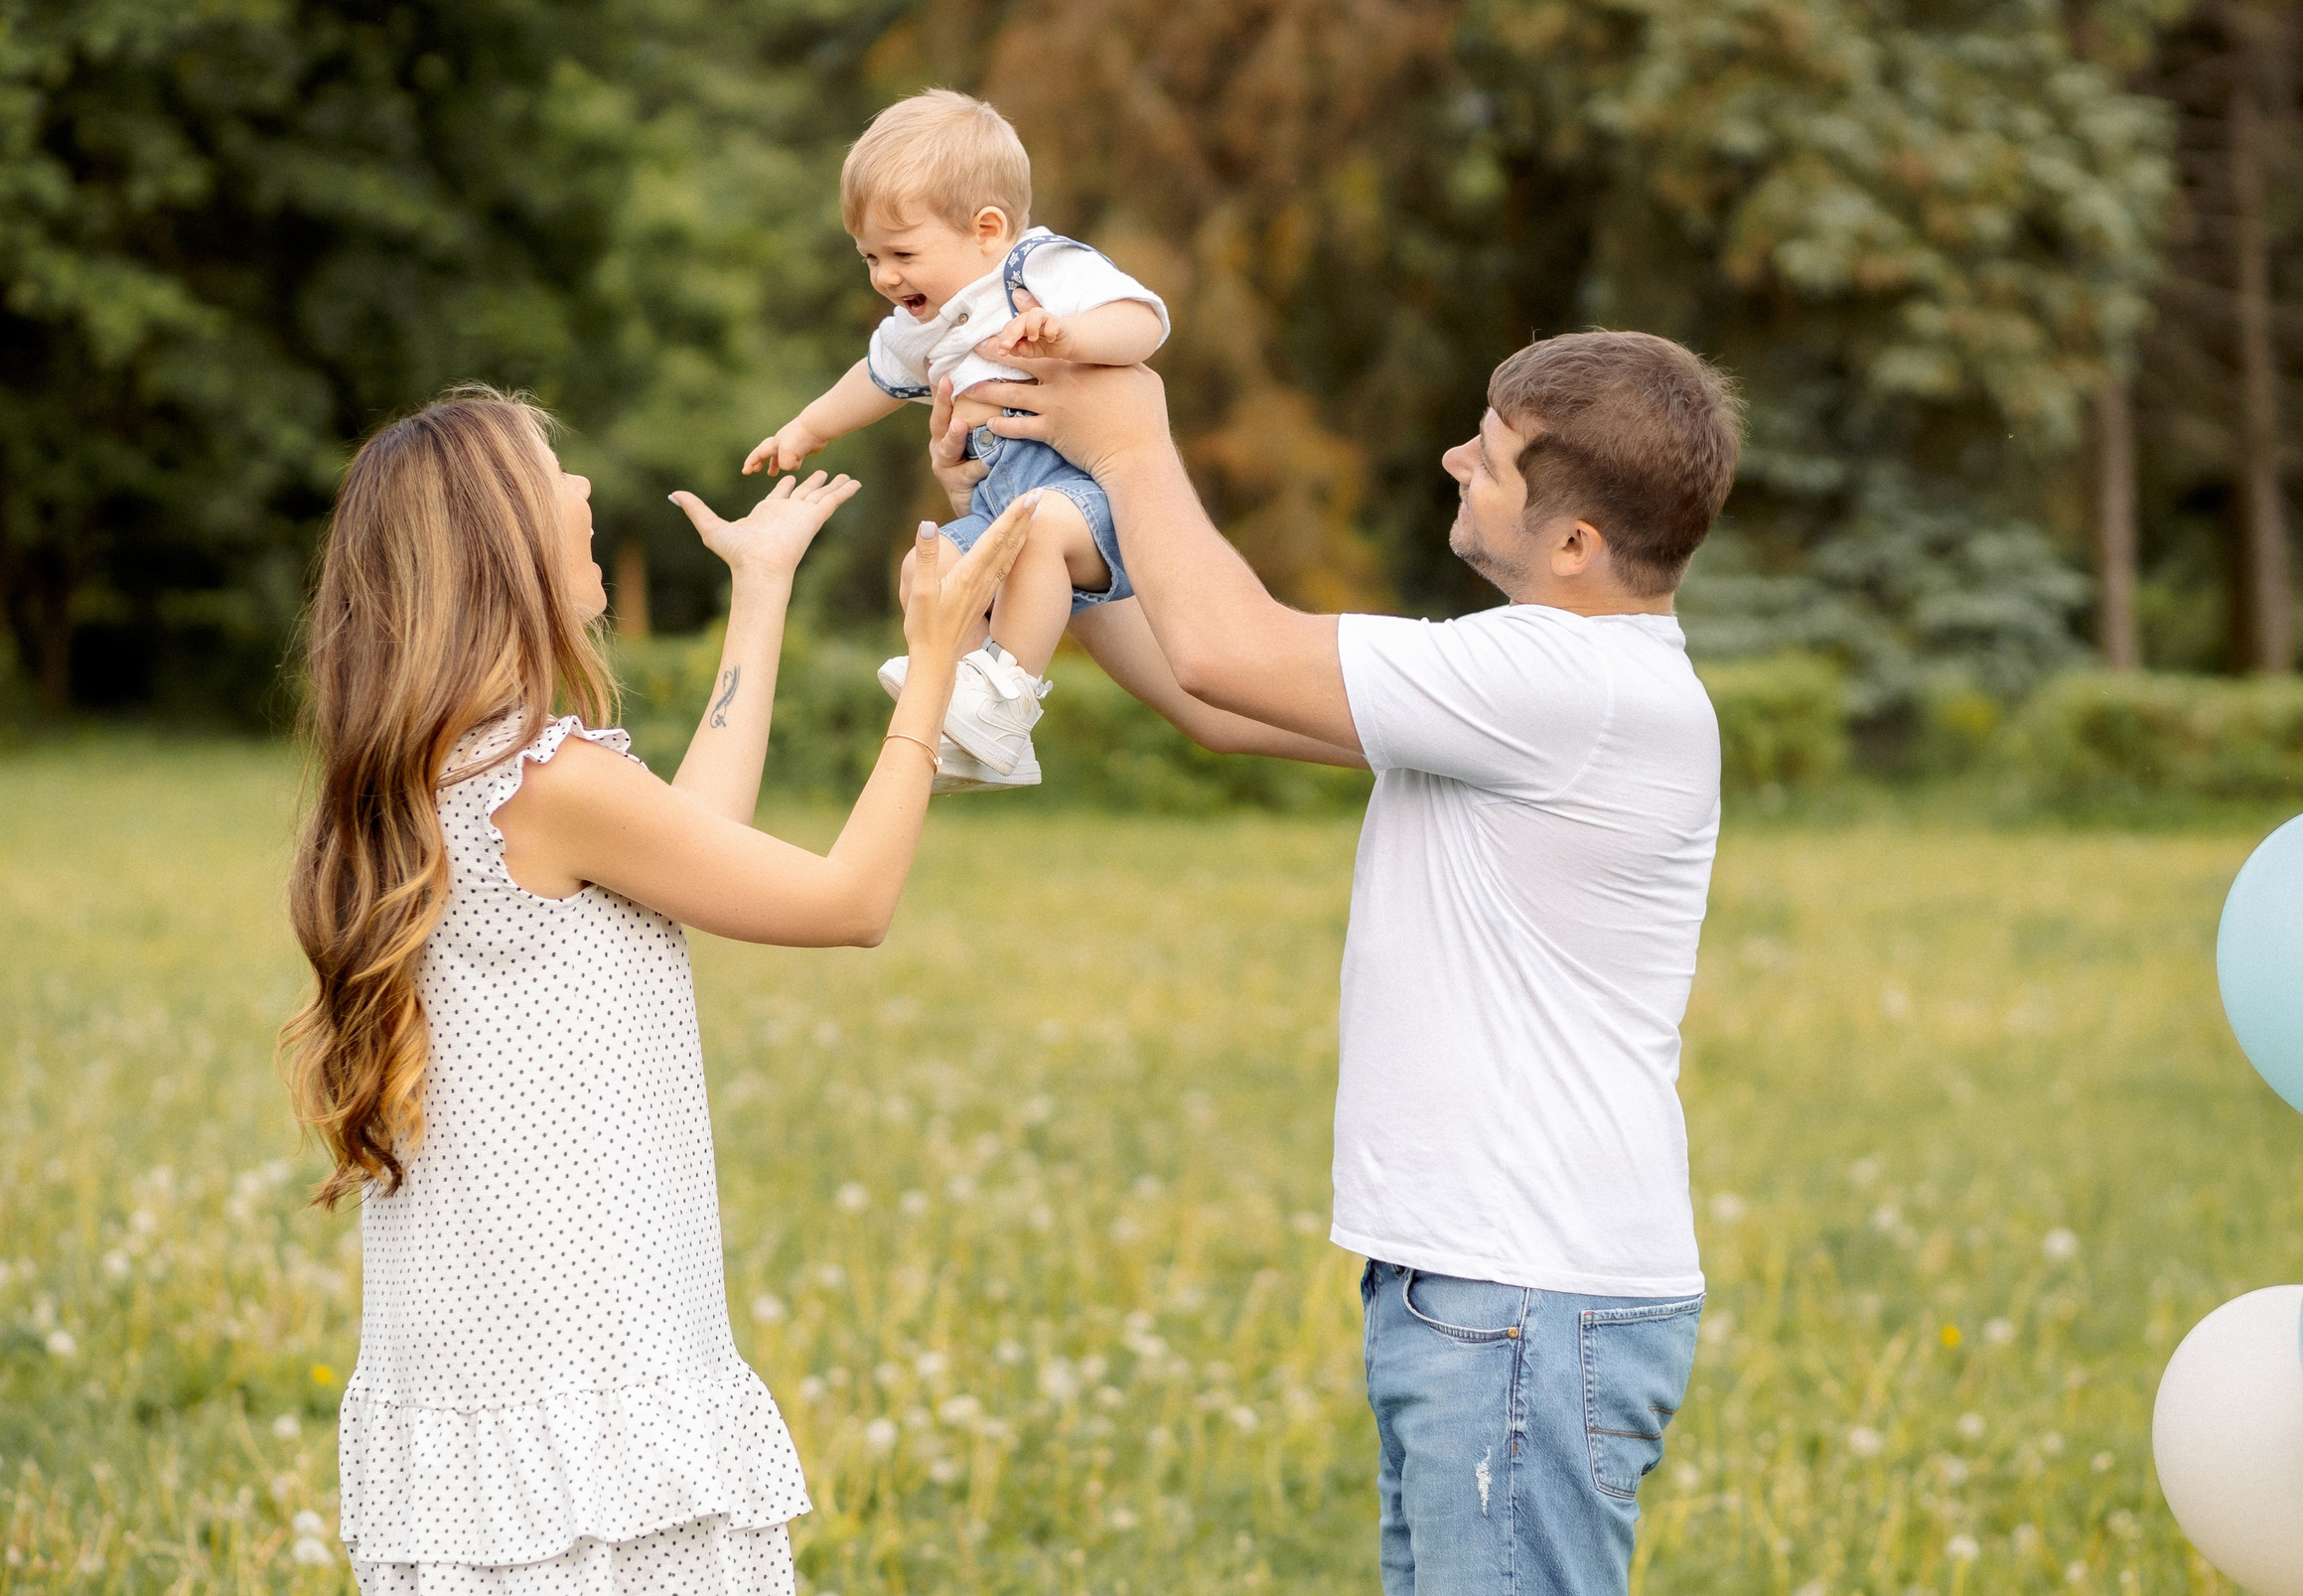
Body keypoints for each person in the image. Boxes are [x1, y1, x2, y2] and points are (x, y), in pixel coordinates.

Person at [970, 332, 1743, 1596]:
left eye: (1487, 457)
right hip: (1487, 1289)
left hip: (1523, 1297)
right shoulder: (1537, 680)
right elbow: (1217, 698)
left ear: (1573, 545)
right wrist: (1048, 527)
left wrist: (1126, 436)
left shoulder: (1563, 682)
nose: (1453, 457)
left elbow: (1229, 649)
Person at [276, 386, 1035, 1596]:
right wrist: (933, 671)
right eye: (550, 477)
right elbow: (849, 901)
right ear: (497, 544)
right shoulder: (546, 777)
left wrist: (760, 588)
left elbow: (685, 843)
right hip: (591, 1408)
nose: (582, 495)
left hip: (484, 1411)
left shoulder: (440, 771)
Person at [747, 87, 1357, 788]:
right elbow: (875, 377)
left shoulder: (1034, 271)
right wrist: (806, 427)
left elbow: (1143, 320)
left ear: (986, 228)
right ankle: (965, 722)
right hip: (1001, 510)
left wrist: (1073, 334)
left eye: (902, 253)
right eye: (869, 258)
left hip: (1086, 503)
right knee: (929, 567)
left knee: (1035, 528)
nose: (886, 277)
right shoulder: (926, 323)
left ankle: (1003, 700)